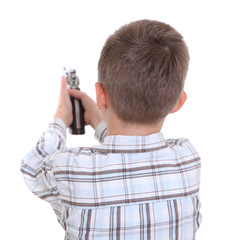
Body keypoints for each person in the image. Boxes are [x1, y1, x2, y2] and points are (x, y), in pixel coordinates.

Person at [21, 19, 202, 240]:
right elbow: (134, 164)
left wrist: (61, 116)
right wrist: (100, 123)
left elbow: (32, 168)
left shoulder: (72, 169)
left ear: (100, 95)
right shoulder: (187, 159)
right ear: (179, 101)